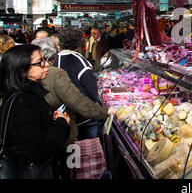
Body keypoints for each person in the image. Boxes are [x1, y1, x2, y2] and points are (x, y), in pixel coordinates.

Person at [32, 37, 116, 178]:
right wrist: (105, 111)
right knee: (69, 167)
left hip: (38, 143)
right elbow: (78, 101)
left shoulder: (17, 78)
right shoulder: (56, 73)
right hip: (61, 135)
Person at [0, 45, 70, 179]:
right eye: (40, 62)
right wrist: (62, 123)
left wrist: (52, 121)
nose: (46, 65)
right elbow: (39, 150)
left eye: (45, 60)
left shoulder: (23, 95)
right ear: (22, 70)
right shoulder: (23, 103)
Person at [54, 27, 102, 140]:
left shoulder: (56, 59)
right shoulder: (81, 62)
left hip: (65, 113)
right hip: (84, 116)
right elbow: (93, 91)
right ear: (79, 43)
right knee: (88, 146)